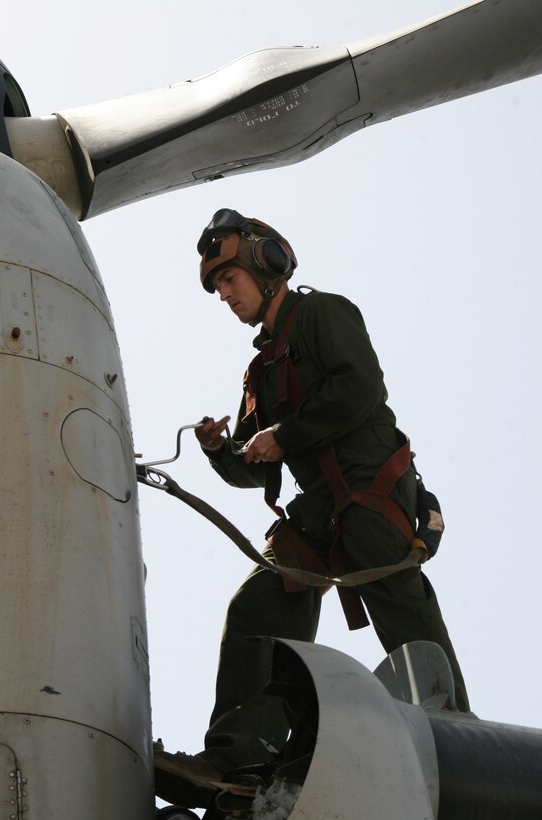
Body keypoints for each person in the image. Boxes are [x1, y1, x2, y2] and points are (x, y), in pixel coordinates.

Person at [154, 208, 469, 806]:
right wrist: (223, 450)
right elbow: (257, 467)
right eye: (217, 286)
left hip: (369, 488)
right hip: (319, 509)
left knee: (403, 619)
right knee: (260, 603)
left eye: (229, 278)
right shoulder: (259, 370)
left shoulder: (322, 313)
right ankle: (241, 758)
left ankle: (458, 744)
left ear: (265, 265)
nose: (224, 294)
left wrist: (287, 435)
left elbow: (360, 390)